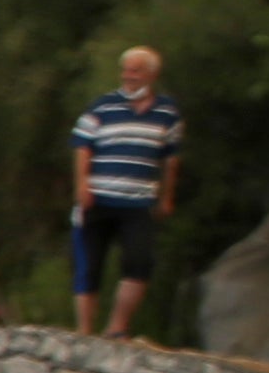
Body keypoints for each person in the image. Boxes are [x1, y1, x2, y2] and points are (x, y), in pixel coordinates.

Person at [69, 43, 186, 338]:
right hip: (99, 196)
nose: (128, 76)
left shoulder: (167, 113)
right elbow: (83, 147)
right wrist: (82, 185)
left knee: (139, 261)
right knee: (89, 266)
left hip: (139, 200)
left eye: (135, 70)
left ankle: (117, 326)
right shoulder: (102, 106)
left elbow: (171, 159)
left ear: (151, 74)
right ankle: (84, 331)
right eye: (126, 70)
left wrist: (166, 197)